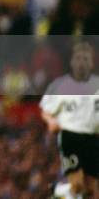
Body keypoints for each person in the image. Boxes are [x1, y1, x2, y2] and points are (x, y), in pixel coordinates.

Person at [40, 41, 99, 198]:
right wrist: (51, 121)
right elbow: (45, 111)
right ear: (72, 62)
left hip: (93, 139)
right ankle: (60, 190)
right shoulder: (60, 86)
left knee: (92, 190)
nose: (82, 63)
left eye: (85, 59)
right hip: (71, 138)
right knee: (78, 184)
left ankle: (58, 191)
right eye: (78, 59)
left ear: (91, 63)